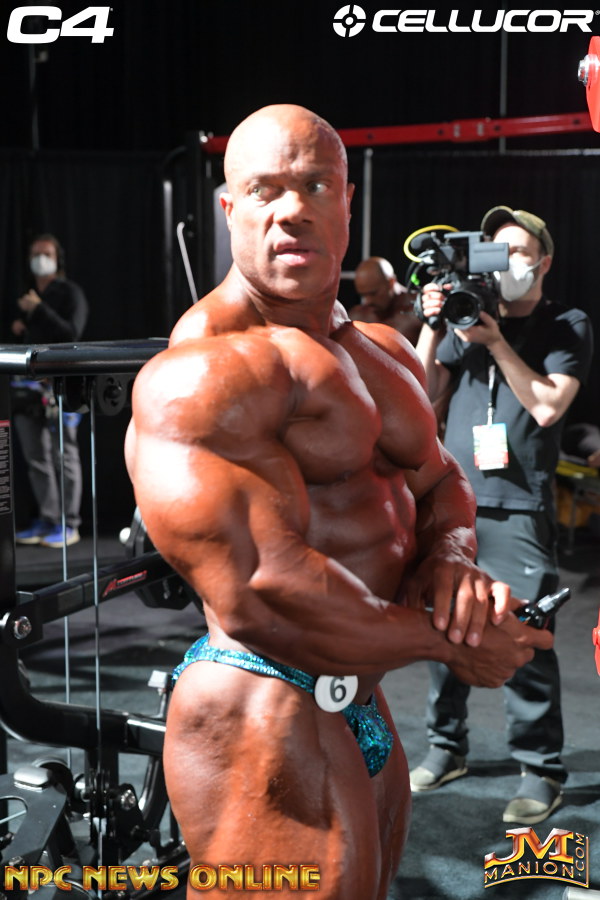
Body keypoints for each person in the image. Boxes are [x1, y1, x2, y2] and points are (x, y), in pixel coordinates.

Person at [125, 109, 551, 900]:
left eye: (315, 185)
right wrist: (451, 642)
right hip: (264, 701)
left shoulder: (381, 349)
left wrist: (450, 563)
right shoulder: (204, 372)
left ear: (348, 202)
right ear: (229, 210)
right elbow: (264, 592)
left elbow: (441, 481)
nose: (292, 209)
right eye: (265, 190)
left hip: (359, 697)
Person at [412, 206, 593, 826]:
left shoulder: (565, 323)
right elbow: (417, 396)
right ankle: (445, 746)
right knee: (443, 625)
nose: (507, 262)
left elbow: (547, 408)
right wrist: (434, 327)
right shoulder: (463, 317)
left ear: (544, 261)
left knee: (524, 634)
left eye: (518, 251)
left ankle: (540, 769)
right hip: (453, 499)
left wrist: (496, 342)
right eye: (496, 251)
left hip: (518, 505)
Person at [12, 233, 89, 548]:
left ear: (58, 258)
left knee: (64, 454)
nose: (40, 259)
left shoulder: (70, 293)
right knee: (37, 457)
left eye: (45, 253)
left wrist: (39, 309)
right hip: (27, 387)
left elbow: (71, 333)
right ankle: (48, 518)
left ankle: (69, 523)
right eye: (35, 254)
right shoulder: (25, 296)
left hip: (60, 386)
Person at [349, 256, 422, 345]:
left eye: (373, 294)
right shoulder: (359, 316)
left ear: (391, 282)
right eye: (363, 295)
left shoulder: (420, 309)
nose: (367, 301)